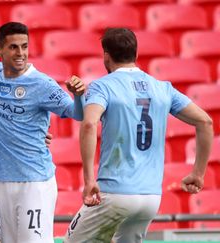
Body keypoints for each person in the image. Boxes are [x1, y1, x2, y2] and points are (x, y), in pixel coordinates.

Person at [64, 28, 213, 243]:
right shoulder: (163, 88)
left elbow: (88, 124)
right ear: (136, 53)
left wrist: (88, 180)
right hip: (150, 197)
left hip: (114, 193)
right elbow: (205, 121)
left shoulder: (102, 86)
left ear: (106, 55)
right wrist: (198, 174)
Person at [0, 22, 85, 243]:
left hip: (34, 182)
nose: (20, 53)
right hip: (2, 182)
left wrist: (79, 95)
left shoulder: (42, 84)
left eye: (24, 46)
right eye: (13, 47)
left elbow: (76, 114)